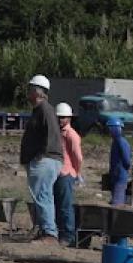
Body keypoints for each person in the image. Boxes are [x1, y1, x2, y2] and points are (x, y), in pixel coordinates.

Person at [19, 74, 63, 243]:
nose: (28, 93)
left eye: (30, 89)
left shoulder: (45, 109)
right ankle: (44, 229)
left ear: (37, 91)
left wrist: (41, 156)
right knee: (42, 195)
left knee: (43, 195)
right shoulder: (40, 110)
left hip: (45, 159)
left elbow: (51, 135)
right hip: (44, 159)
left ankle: (50, 233)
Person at [52, 102, 83, 247]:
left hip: (66, 174)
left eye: (62, 117)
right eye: (58, 117)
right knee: (57, 205)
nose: (59, 120)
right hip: (56, 173)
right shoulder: (57, 132)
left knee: (65, 206)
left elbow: (78, 157)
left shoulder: (72, 135)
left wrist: (76, 172)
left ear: (69, 118)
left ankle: (68, 236)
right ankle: (59, 232)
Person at [108, 118, 133, 206]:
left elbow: (127, 160)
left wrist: (121, 170)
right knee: (114, 200)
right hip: (115, 176)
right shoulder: (115, 142)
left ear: (117, 129)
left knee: (117, 203)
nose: (109, 131)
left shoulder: (121, 142)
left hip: (120, 177)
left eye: (111, 128)